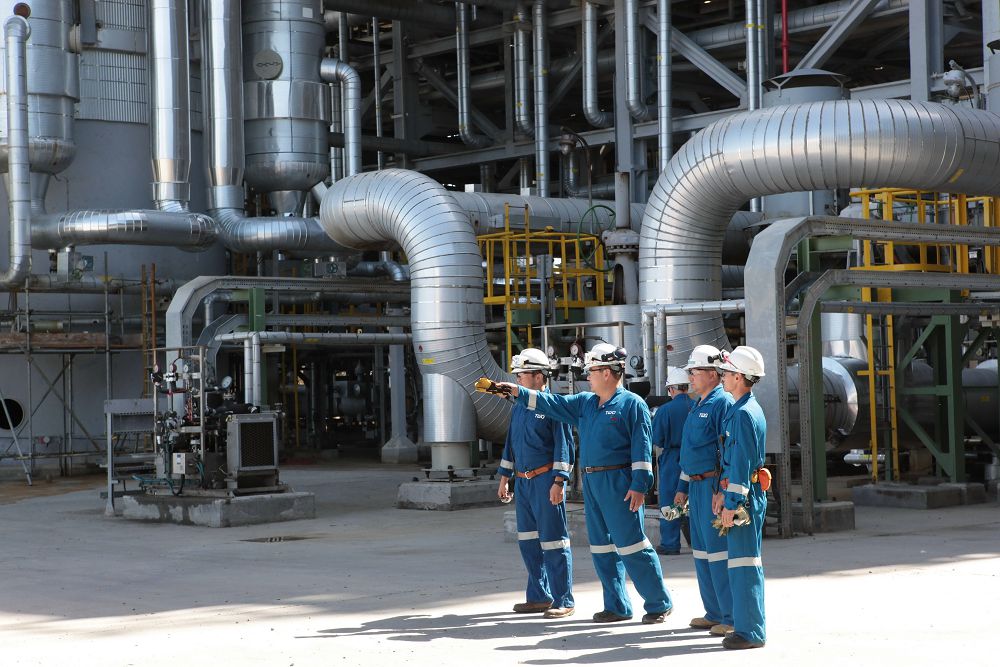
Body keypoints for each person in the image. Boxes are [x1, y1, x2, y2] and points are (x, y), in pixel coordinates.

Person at [493, 343, 673, 625]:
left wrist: (640, 485)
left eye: (592, 371)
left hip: (619, 483)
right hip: (592, 481)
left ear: (608, 372)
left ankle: (658, 602)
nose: (588, 376)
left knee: (632, 545)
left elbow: (642, 449)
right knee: (601, 548)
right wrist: (516, 391)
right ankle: (617, 606)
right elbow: (552, 403)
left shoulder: (632, 404)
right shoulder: (586, 403)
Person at [495, 348, 576, 619]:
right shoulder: (519, 407)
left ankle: (563, 599)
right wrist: (505, 478)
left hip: (545, 482)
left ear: (540, 377)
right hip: (523, 483)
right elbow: (511, 445)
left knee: (554, 542)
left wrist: (559, 482)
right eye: (517, 375)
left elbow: (565, 447)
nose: (518, 379)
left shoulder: (553, 406)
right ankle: (539, 596)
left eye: (523, 374)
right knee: (528, 542)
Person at [674, 344, 734, 637]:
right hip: (696, 488)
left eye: (694, 371)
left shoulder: (722, 403)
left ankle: (730, 616)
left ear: (712, 373)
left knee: (718, 553)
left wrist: (722, 490)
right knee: (701, 552)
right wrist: (682, 487)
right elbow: (691, 450)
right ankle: (713, 612)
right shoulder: (698, 404)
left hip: (712, 487)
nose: (690, 377)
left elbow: (727, 450)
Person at [715, 346, 768, 650]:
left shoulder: (743, 414)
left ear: (739, 377)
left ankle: (750, 632)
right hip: (748, 494)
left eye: (726, 372)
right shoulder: (745, 409)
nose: (722, 376)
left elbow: (741, 463)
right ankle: (748, 627)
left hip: (744, 499)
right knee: (744, 563)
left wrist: (732, 504)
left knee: (744, 565)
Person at [652, 366, 692, 556]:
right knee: (694, 499)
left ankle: (670, 543)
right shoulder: (698, 405)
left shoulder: (664, 410)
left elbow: (657, 438)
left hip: (672, 459)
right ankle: (698, 542)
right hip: (695, 458)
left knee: (669, 500)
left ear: (671, 389)